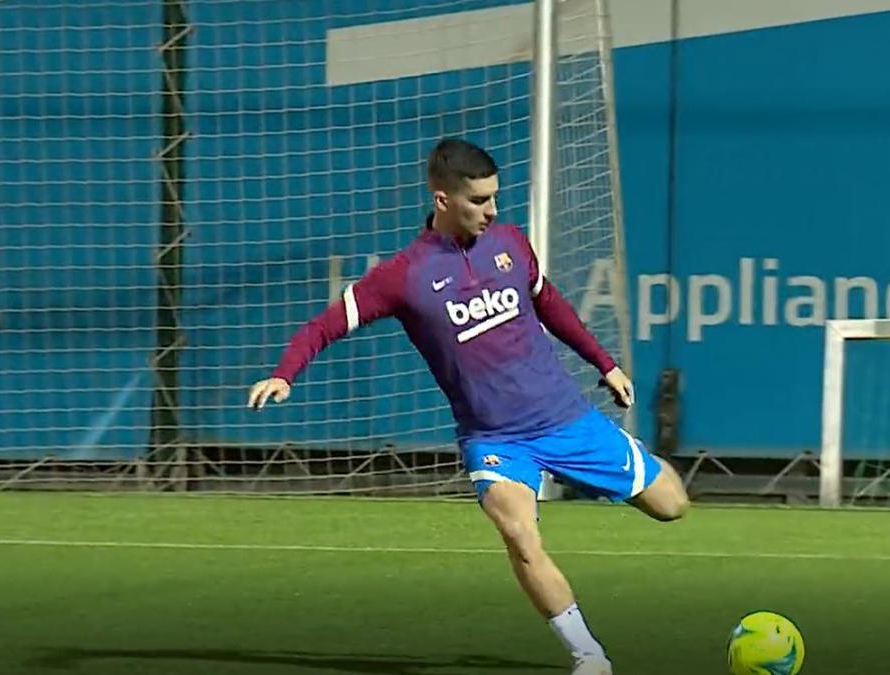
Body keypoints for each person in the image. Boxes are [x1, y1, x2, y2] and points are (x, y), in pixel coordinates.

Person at [247, 138, 690, 675]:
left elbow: (548, 302)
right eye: (479, 200)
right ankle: (588, 656)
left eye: (494, 197)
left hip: (566, 419)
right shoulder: (402, 277)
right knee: (520, 535)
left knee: (671, 505)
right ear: (442, 200)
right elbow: (324, 326)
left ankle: (629, 459)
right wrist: (283, 372)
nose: (492, 209)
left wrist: (605, 363)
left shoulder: (510, 242)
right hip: (496, 440)